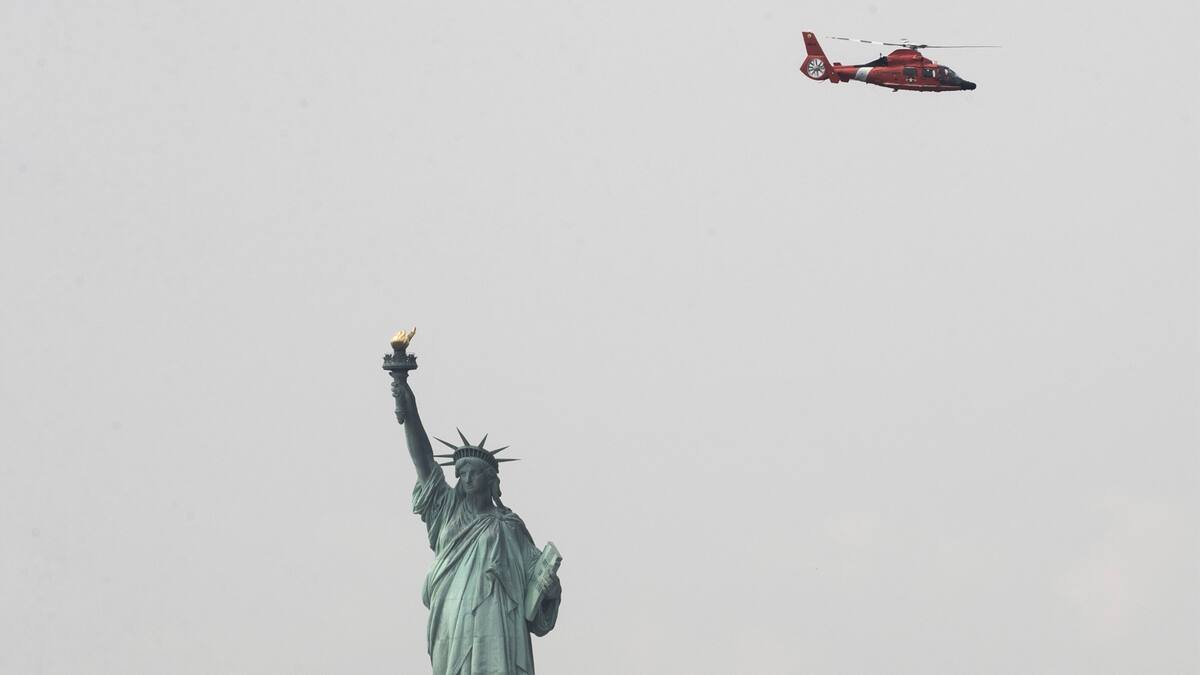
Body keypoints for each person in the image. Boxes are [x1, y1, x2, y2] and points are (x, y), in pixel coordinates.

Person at [391, 375, 561, 675]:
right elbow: (424, 461)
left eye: (474, 473)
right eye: (462, 473)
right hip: (452, 617)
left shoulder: (509, 526)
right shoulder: (447, 510)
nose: (467, 478)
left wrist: (550, 587)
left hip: (498, 621)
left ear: (490, 478)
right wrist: (410, 413)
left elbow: (535, 578)